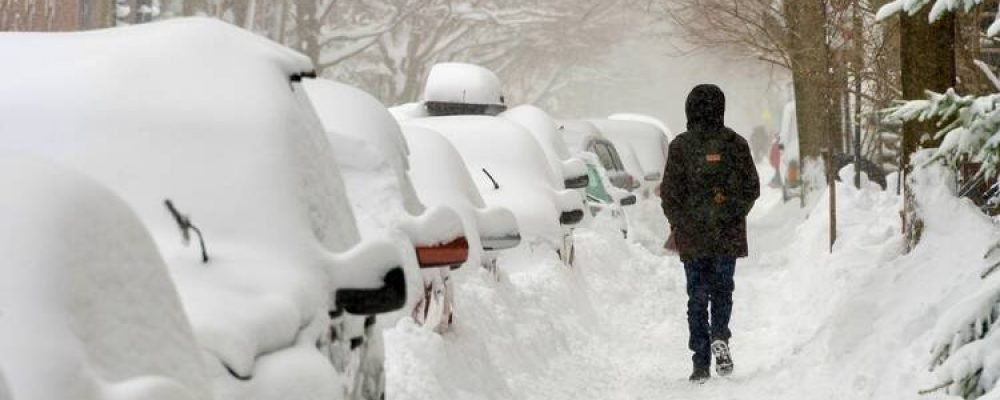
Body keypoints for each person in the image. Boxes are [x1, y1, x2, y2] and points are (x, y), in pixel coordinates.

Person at [660, 84, 760, 383]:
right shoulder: (736, 144)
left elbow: (669, 193)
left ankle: (700, 360)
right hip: (726, 235)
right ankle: (720, 336)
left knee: (696, 295)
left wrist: (678, 223)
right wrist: (732, 213)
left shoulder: (681, 146)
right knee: (722, 289)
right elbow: (751, 188)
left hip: (693, 235)